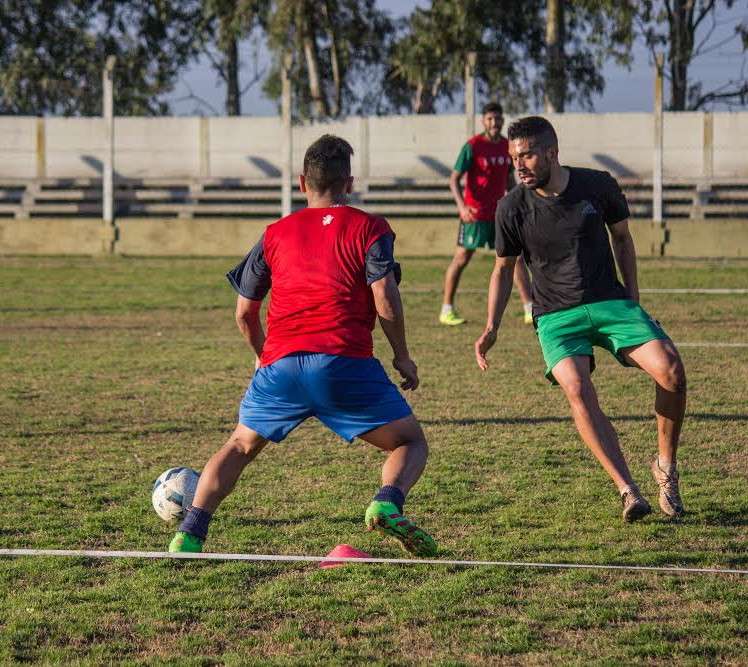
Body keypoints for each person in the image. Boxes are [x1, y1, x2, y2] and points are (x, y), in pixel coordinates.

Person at [169, 135, 437, 557]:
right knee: (409, 442)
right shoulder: (370, 227)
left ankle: (190, 532)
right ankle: (387, 501)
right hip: (344, 363)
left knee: (239, 445)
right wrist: (402, 355)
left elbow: (243, 312)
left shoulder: (275, 233)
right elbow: (383, 293)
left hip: (281, 365)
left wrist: (262, 356)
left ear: (301, 183)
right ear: (348, 182)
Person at [474, 116, 687, 523]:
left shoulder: (598, 185)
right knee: (577, 389)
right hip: (555, 315)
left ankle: (665, 466)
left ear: (553, 152)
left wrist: (634, 301)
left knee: (672, 372)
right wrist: (491, 326)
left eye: (528, 155)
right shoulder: (511, 207)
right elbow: (503, 269)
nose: (519, 165)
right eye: (514, 157)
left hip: (611, 302)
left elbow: (623, 240)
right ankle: (628, 490)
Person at [440, 102, 533, 326]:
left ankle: (530, 308)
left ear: (502, 120)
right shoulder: (472, 146)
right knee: (461, 259)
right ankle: (447, 309)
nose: (494, 122)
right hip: (474, 215)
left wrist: (517, 204)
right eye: (490, 119)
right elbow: (453, 179)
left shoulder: (507, 146)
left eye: (498, 118)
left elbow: (510, 180)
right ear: (483, 121)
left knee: (516, 259)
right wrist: (462, 207)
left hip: (499, 215)